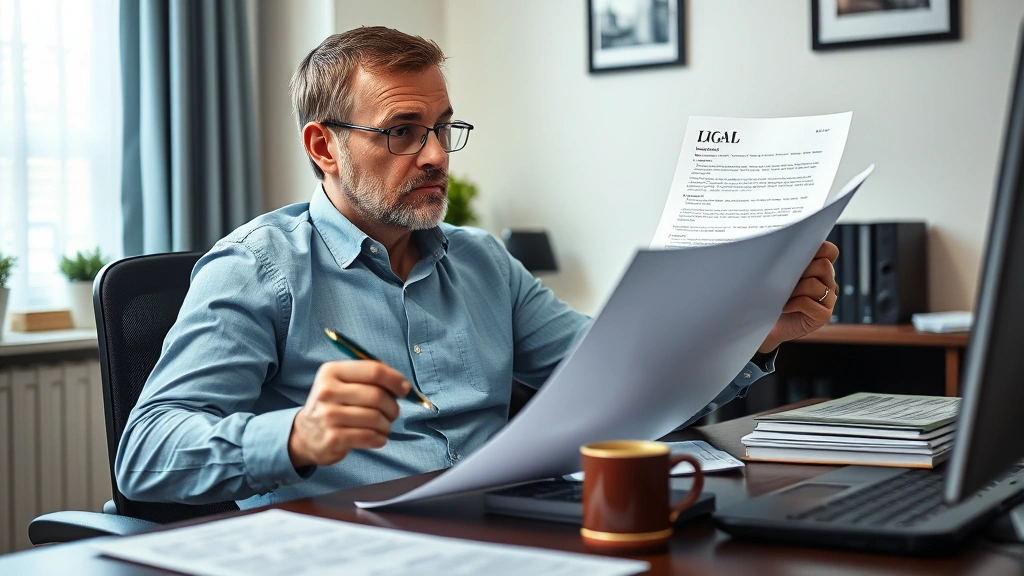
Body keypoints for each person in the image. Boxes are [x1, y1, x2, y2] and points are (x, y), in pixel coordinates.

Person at [115, 26, 839, 508]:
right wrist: (297, 435)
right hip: (349, 548)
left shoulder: (485, 262)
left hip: (495, 533)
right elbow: (145, 456)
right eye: (402, 131)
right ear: (324, 146)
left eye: (441, 127)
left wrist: (758, 334)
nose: (435, 155)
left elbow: (627, 381)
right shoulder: (256, 269)